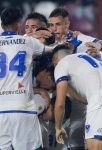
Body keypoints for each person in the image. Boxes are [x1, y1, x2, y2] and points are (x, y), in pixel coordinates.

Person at [0, 7, 53, 150]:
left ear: (1, 25)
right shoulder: (28, 43)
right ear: (19, 24)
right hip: (24, 109)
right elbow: (53, 49)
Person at [48, 7, 102, 150]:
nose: (54, 29)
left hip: (82, 95)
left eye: (58, 24)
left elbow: (99, 43)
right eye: (51, 25)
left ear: (67, 24)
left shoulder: (82, 40)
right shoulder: (48, 41)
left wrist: (98, 46)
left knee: (77, 138)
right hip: (61, 94)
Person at [51, 44, 102, 150]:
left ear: (56, 59)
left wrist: (58, 128)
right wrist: (68, 88)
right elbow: (86, 99)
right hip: (96, 102)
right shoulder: (88, 59)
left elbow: (60, 103)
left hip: (98, 105)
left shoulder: (61, 64)